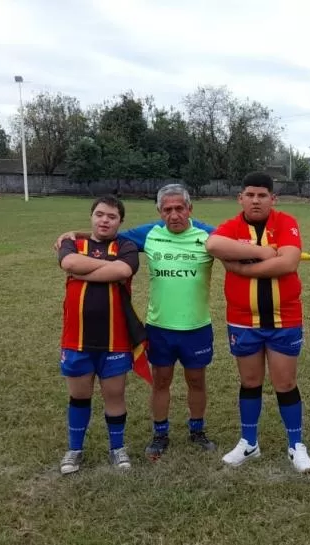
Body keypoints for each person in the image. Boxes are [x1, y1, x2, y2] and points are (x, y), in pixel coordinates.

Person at [55, 184, 218, 461]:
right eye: (167, 209)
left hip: (197, 326)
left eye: (180, 208)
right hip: (160, 326)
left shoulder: (209, 235)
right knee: (161, 381)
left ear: (190, 209)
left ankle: (197, 430)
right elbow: (108, 235)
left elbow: (237, 244)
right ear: (159, 211)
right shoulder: (149, 233)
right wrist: (74, 235)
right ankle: (160, 434)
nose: (174, 214)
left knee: (197, 381)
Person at [205, 172, 310, 473]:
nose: (255, 200)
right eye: (250, 194)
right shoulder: (231, 226)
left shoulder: (286, 222)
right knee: (250, 382)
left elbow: (289, 262)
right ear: (240, 198)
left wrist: (240, 268)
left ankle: (296, 445)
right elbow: (214, 246)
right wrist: (261, 252)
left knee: (285, 383)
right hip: (243, 321)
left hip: (284, 319)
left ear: (272, 199)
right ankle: (249, 443)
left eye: (262, 195)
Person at [55, 195, 140, 475]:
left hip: (115, 338)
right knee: (79, 396)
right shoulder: (71, 242)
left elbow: (123, 269)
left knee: (114, 395)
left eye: (112, 217)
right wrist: (105, 270)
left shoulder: (126, 246)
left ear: (120, 222)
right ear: (91, 216)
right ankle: (74, 450)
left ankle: (118, 448)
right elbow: (69, 263)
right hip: (76, 338)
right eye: (100, 214)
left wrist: (84, 270)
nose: (105, 220)